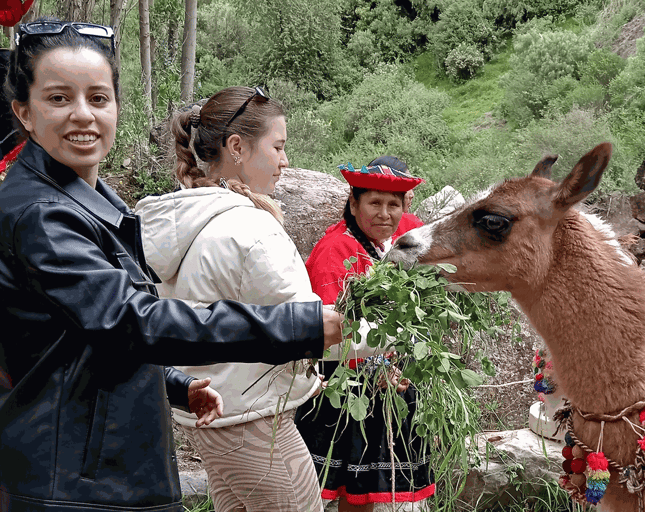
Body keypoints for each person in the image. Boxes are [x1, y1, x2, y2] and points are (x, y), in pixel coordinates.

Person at [0, 19, 343, 512]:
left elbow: (81, 335)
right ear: (24, 113)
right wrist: (305, 324)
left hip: (94, 466)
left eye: (98, 99)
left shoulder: (91, 201)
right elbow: (132, 318)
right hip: (76, 485)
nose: (83, 115)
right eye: (58, 98)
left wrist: (174, 384)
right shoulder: (42, 214)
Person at [134, 87, 388, 512]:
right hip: (254, 424)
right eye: (278, 146)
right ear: (237, 147)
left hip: (208, 413)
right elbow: (312, 327)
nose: (285, 161)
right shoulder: (252, 230)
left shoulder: (177, 221)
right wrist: (395, 334)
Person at [294, 162, 434, 511]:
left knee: (369, 490)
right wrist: (377, 367)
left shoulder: (398, 239)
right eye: (374, 204)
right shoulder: (336, 251)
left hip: (391, 380)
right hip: (347, 386)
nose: (385, 214)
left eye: (394, 205)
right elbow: (331, 335)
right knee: (352, 492)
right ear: (354, 204)